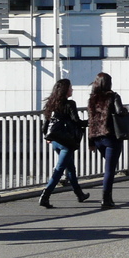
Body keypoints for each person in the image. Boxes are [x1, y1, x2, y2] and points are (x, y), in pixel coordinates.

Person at [38, 79, 89, 208]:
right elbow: (76, 121)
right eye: (70, 88)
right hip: (67, 141)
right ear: (65, 90)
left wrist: (46, 136)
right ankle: (45, 196)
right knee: (59, 169)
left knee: (70, 167)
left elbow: (46, 123)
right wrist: (90, 122)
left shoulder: (51, 103)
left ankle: (79, 194)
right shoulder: (70, 104)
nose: (72, 90)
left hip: (55, 140)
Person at [87, 72, 126, 209]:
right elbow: (120, 112)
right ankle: (106, 199)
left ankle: (107, 198)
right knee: (110, 169)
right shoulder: (113, 96)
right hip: (111, 137)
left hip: (97, 139)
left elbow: (91, 121)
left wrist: (90, 142)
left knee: (109, 167)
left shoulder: (92, 99)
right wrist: (126, 110)